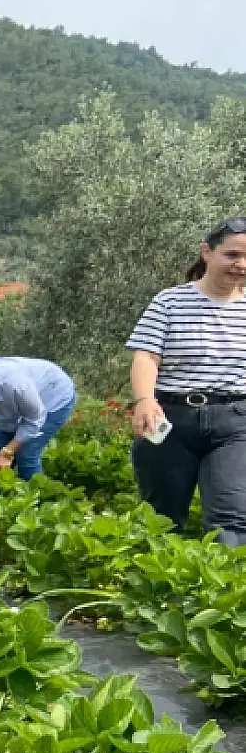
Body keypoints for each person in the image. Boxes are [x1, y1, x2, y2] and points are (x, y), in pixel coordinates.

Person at [128, 218, 246, 544]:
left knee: (233, 515)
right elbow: (146, 357)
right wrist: (144, 400)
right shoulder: (169, 302)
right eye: (232, 255)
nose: (241, 265)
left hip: (236, 422)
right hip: (169, 418)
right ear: (207, 252)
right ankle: (161, 590)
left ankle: (226, 589)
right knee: (161, 516)